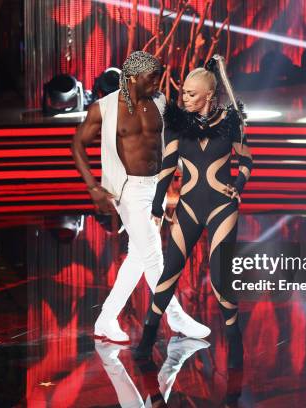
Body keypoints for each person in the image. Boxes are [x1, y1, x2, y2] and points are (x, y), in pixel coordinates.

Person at [71, 51, 210, 343]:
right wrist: (93, 187)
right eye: (151, 78)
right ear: (133, 77)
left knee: (137, 257)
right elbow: (77, 144)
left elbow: (174, 139)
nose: (156, 83)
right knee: (152, 255)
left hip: (155, 187)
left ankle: (106, 319)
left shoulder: (158, 102)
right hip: (127, 189)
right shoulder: (105, 108)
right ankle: (174, 315)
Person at [133, 55, 253, 368]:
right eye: (183, 92)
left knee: (219, 280)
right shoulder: (176, 126)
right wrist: (158, 203)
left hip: (221, 208)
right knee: (169, 273)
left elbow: (247, 160)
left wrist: (238, 184)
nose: (183, 97)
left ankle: (234, 339)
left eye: (190, 93)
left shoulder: (231, 123)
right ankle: (147, 338)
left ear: (210, 96)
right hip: (187, 207)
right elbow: (167, 166)